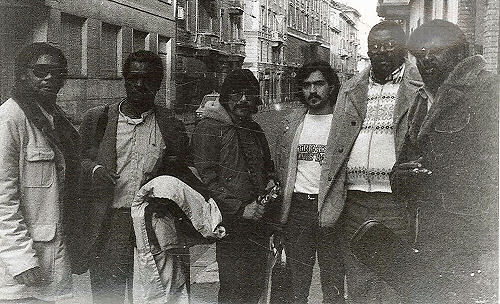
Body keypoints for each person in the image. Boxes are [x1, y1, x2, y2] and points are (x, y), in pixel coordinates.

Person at [391, 19, 498, 304]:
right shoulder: (423, 97)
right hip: (429, 231)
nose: (426, 58)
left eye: (436, 50)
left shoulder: (488, 90)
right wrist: (402, 175)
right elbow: (408, 156)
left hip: (473, 236)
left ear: (459, 51)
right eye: (420, 52)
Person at [78, 50, 191, 304]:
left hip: (153, 225)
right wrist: (95, 170)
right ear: (125, 80)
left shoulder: (169, 123)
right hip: (111, 224)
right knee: (110, 296)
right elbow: (77, 163)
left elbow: (182, 168)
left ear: (158, 84)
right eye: (134, 77)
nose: (140, 85)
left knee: (157, 295)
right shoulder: (99, 119)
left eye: (148, 79)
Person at [331, 21, 422, 303]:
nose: (380, 52)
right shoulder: (350, 89)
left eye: (389, 45)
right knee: (359, 280)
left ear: (403, 48)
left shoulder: (419, 87)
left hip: (396, 202)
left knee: (397, 281)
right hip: (354, 202)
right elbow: (335, 147)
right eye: (374, 47)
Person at [0, 42, 80, 303]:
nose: (49, 78)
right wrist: (20, 260)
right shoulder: (10, 119)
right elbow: (3, 200)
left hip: (52, 260)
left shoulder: (55, 118)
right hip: (22, 270)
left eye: (57, 73)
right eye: (40, 71)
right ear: (23, 73)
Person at [190, 69, 275, 304]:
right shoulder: (209, 128)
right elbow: (205, 180)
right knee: (233, 290)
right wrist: (240, 208)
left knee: (256, 286)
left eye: (249, 94)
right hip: (232, 223)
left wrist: (269, 187)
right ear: (226, 97)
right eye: (237, 94)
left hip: (258, 222)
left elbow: (268, 168)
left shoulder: (254, 128)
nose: (244, 100)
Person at [274, 60, 344, 304]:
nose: (312, 91)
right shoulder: (293, 122)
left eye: (319, 84)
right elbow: (281, 167)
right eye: (306, 85)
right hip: (298, 210)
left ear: (332, 87)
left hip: (332, 209)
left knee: (333, 280)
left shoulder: (343, 123)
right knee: (297, 282)